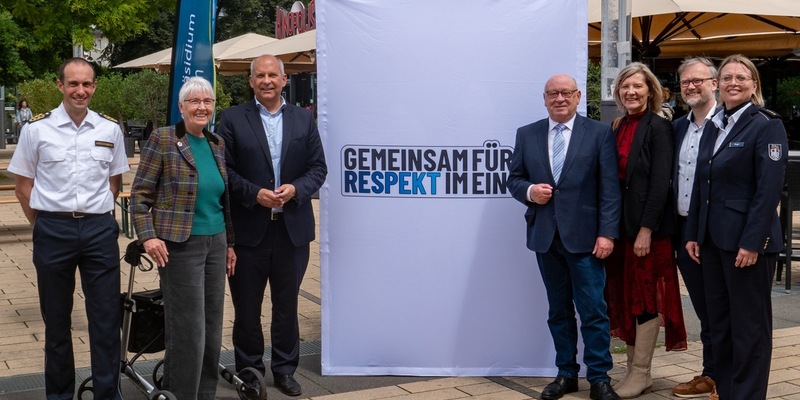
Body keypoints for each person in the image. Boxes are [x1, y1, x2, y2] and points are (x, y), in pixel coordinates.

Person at [7, 57, 128, 400]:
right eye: (73, 83)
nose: (80, 90)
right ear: (60, 85)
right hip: (53, 230)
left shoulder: (109, 129)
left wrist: (94, 216)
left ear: (94, 87)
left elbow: (114, 183)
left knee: (106, 321)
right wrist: (44, 224)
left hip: (98, 231)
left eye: (87, 84)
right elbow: (23, 188)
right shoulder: (36, 129)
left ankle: (108, 394)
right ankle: (59, 396)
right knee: (57, 323)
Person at [216, 54, 327, 397]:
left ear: (283, 79)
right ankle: (250, 371)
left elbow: (318, 168)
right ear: (251, 81)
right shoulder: (232, 119)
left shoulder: (303, 119)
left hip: (292, 230)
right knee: (247, 309)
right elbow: (223, 170)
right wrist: (254, 193)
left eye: (272, 75)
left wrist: (296, 189)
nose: (266, 81)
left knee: (287, 307)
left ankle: (285, 370)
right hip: (249, 231)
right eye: (260, 76)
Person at [507, 73, 621, 400]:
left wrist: (607, 234)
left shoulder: (598, 133)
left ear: (578, 96)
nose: (560, 98)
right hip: (546, 237)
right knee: (558, 311)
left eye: (566, 93)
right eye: (553, 93)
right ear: (544, 98)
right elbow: (514, 178)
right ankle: (566, 374)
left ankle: (599, 378)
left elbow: (609, 189)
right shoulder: (527, 134)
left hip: (586, 239)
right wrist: (530, 191)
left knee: (593, 311)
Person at [685, 54, 787, 400]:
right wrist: (694, 234)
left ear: (754, 84)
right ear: (718, 85)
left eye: (741, 77)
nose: (733, 82)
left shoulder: (766, 125)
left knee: (749, 329)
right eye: (727, 77)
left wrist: (752, 242)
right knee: (721, 325)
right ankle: (727, 392)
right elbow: (702, 184)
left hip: (746, 245)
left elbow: (768, 190)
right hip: (712, 243)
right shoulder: (715, 124)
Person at [130, 76, 237, 400]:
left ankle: (205, 394)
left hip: (215, 241)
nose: (202, 107)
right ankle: (180, 393)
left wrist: (230, 244)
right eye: (194, 101)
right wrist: (148, 237)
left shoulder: (216, 143)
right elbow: (139, 195)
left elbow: (223, 200)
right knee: (187, 328)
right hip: (180, 246)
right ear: (181, 106)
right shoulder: (163, 139)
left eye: (207, 101)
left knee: (212, 326)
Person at [605, 62, 687, 399]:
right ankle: (632, 372)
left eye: (637, 86)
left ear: (650, 90)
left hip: (646, 232)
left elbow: (660, 183)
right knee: (628, 297)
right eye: (625, 87)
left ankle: (641, 373)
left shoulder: (659, 127)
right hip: (621, 229)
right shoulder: (617, 125)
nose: (631, 92)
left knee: (645, 299)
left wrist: (646, 230)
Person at [670, 57, 719, 399]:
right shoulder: (677, 128)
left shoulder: (729, 125)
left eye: (698, 80)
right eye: (686, 81)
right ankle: (711, 372)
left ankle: (723, 376)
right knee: (703, 306)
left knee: (720, 306)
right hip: (684, 230)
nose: (691, 86)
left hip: (716, 232)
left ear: (714, 83)